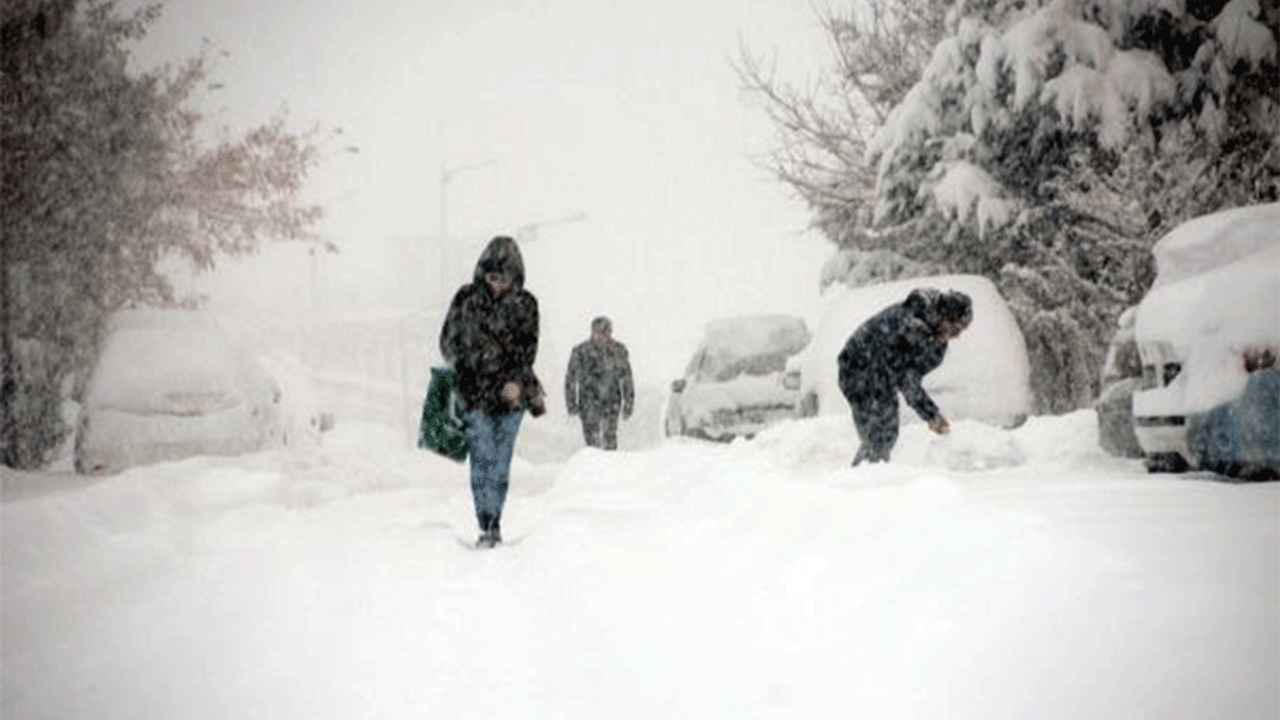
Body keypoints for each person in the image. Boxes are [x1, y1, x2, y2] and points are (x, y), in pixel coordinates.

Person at [440, 235, 545, 548]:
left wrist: (515, 380)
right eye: (492, 275)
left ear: (517, 276)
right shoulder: (465, 299)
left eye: (505, 276)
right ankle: (486, 523)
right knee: (482, 457)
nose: (498, 283)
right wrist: (473, 365)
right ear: (482, 273)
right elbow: (447, 342)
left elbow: (528, 350)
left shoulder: (527, 304)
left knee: (500, 462)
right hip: (474, 394)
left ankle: (495, 519)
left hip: (512, 397)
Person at [838, 287, 973, 466]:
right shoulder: (910, 322)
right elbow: (906, 379)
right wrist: (931, 414)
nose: (956, 335)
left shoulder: (935, 340)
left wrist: (930, 414)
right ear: (943, 316)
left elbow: (910, 375)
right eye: (955, 327)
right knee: (879, 437)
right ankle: (861, 482)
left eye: (962, 330)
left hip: (881, 374)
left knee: (886, 435)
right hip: (858, 369)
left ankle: (867, 477)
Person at [564, 316, 634, 450]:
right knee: (591, 441)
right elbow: (570, 379)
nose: (602, 337)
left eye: (606, 333)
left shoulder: (618, 351)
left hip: (611, 401)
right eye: (599, 333)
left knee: (610, 439)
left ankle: (610, 467)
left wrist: (628, 404)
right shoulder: (581, 352)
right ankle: (593, 467)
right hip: (588, 400)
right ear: (592, 332)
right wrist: (571, 403)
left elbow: (627, 379)